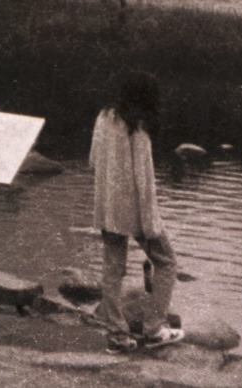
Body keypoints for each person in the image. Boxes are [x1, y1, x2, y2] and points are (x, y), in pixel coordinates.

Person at [89, 71, 185, 353]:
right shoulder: (138, 128)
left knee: (112, 269)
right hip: (135, 210)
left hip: (107, 207)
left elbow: (93, 160)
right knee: (167, 262)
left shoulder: (104, 116)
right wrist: (151, 223)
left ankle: (117, 337)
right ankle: (154, 329)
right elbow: (143, 182)